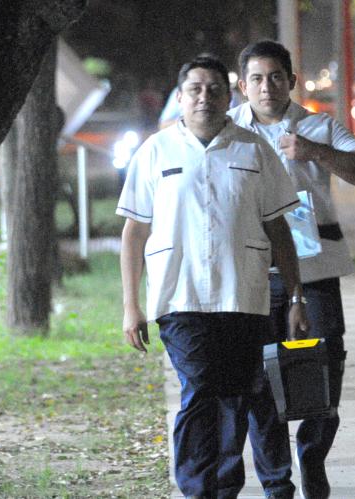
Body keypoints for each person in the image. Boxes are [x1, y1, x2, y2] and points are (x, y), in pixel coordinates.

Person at [118, 55, 309, 498]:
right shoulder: (155, 151)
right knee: (201, 387)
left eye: (214, 89)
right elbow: (134, 231)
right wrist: (131, 305)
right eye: (195, 89)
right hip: (179, 296)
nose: (204, 97)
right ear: (180, 97)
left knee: (235, 396)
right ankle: (196, 488)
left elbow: (279, 228)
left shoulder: (254, 150)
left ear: (229, 97)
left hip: (242, 295)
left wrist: (296, 297)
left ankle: (223, 487)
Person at [227, 40, 355, 499]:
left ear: (292, 81)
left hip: (314, 270)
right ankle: (277, 481)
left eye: (276, 77)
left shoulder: (318, 126)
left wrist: (315, 151)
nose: (267, 87)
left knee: (325, 364)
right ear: (243, 86)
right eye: (257, 79)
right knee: (260, 378)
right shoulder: (228, 130)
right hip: (252, 273)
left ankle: (312, 455)